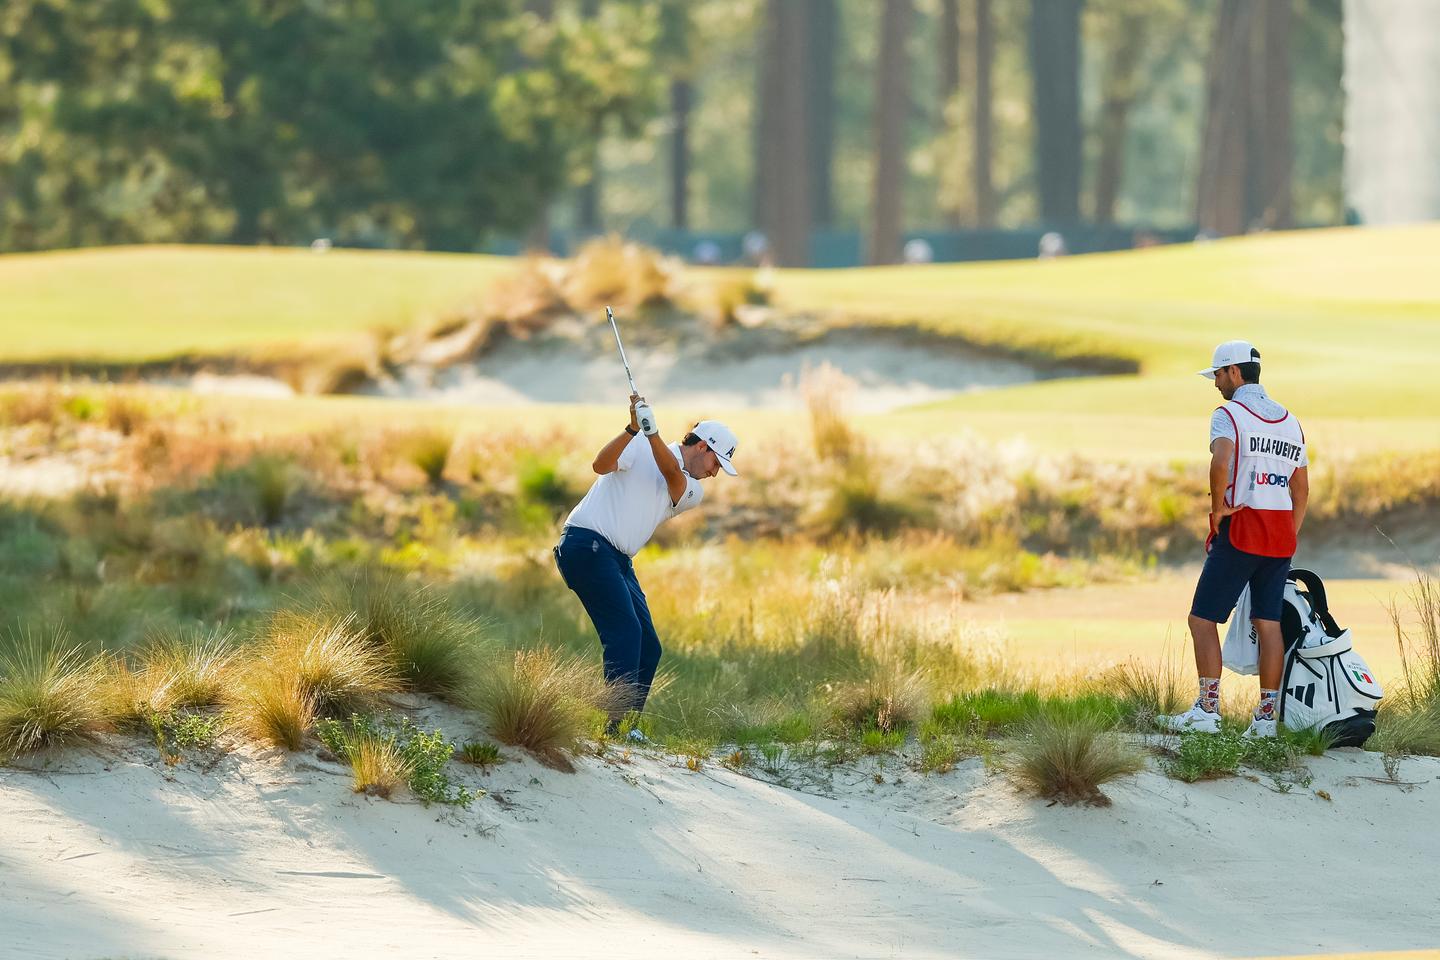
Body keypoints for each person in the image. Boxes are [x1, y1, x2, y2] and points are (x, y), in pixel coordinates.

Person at [554, 394, 739, 737]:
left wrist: (650, 433)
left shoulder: (693, 491)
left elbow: (670, 471)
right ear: (703, 448)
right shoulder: (639, 445)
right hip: (586, 545)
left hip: (618, 560)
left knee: (649, 646)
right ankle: (612, 727)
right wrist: (632, 428)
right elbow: (599, 466)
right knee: (626, 633)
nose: (716, 473)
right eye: (718, 463)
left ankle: (625, 727)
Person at [1162, 340, 1309, 738]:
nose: (1215, 384)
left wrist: (1217, 510)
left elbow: (1221, 461)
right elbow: (1301, 489)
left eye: (1218, 375)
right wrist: (1288, 536)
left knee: (1201, 618)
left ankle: (1208, 711)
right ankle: (1264, 721)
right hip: (1280, 536)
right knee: (1268, 623)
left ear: (1235, 373)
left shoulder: (1228, 414)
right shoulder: (1290, 421)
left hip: (1242, 530)